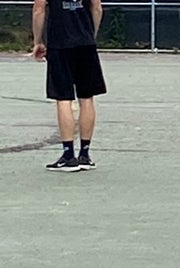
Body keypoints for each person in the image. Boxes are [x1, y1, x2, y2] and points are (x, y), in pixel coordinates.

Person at [32, 0, 107, 172]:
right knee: (87, 97)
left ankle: (68, 155)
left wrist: (38, 40)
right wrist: (90, 34)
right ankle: (85, 154)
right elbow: (97, 7)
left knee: (63, 97)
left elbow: (38, 9)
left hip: (60, 43)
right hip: (85, 43)